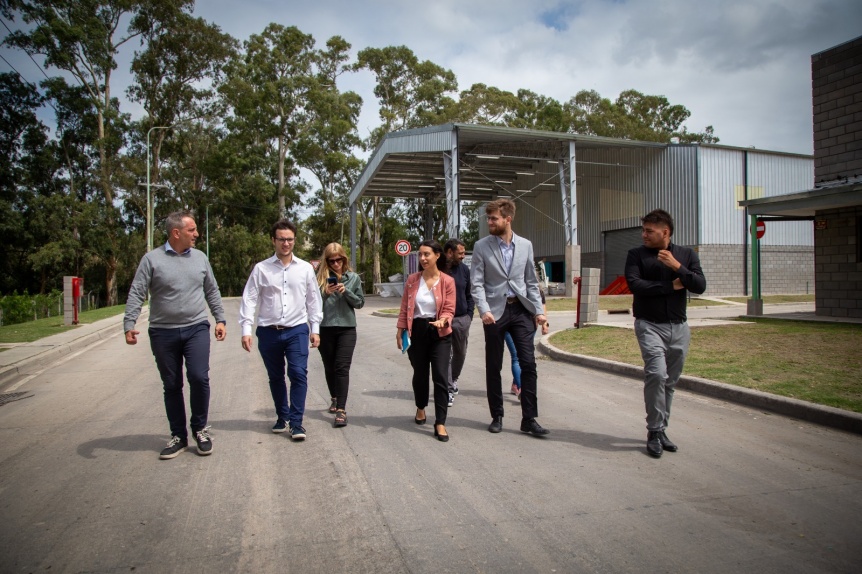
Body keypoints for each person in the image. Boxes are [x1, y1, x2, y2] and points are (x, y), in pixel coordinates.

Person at [123, 210, 226, 460]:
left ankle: (200, 430)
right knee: (172, 385)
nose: (197, 234)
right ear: (176, 232)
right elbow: (137, 292)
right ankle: (179, 436)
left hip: (196, 328)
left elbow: (211, 290)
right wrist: (129, 323)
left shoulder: (200, 258)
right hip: (162, 333)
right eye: (192, 230)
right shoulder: (152, 259)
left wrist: (220, 318)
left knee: (199, 378)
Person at [624, 208, 706, 458]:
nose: (644, 235)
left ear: (665, 232)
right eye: (644, 230)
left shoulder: (686, 255)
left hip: (679, 327)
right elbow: (635, 285)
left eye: (649, 231)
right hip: (649, 325)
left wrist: (677, 267)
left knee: (670, 381)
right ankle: (654, 430)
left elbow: (699, 286)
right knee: (657, 375)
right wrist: (670, 285)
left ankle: (661, 430)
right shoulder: (636, 255)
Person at [471, 198, 549, 436]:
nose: (489, 222)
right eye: (488, 218)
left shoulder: (525, 245)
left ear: (508, 219)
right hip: (494, 313)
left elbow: (530, 282)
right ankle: (497, 415)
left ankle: (529, 419)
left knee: (528, 363)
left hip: (521, 311)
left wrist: (539, 311)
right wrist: (483, 310)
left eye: (493, 218)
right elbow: (476, 283)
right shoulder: (481, 246)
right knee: (494, 365)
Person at [239, 219, 323, 441]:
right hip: (268, 331)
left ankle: (296, 423)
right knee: (275, 376)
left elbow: (314, 300)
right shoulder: (261, 269)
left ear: (294, 240)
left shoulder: (305, 269)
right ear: (273, 240)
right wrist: (246, 329)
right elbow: (249, 298)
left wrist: (315, 328)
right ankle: (282, 416)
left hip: (296, 330)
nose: (286, 243)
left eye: (290, 239)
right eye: (281, 239)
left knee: (297, 373)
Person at [396, 240, 456, 442]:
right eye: (420, 255)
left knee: (440, 376)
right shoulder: (413, 280)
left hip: (440, 333)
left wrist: (444, 320)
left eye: (426, 254)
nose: (422, 258)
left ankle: (440, 422)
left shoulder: (447, 281)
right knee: (420, 374)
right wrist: (400, 329)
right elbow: (405, 307)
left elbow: (449, 307)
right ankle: (420, 407)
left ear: (437, 256)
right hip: (417, 332)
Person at [316, 242, 365, 427]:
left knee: (342, 368)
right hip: (325, 328)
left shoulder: (353, 278)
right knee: (329, 367)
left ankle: (341, 410)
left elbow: (360, 303)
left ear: (344, 259)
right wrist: (325, 294)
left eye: (339, 260)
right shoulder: (319, 279)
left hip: (347, 328)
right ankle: (334, 398)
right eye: (331, 261)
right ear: (326, 261)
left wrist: (347, 292)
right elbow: (310, 305)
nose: (336, 264)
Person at [442, 238, 473, 407]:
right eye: (460, 253)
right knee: (446, 355)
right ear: (449, 252)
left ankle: (453, 379)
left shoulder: (465, 270)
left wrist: (469, 316)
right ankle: (447, 390)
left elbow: (469, 294)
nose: (463, 256)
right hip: (443, 320)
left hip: (461, 319)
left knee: (460, 354)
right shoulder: (439, 269)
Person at [507, 289, 549, 398]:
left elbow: (542, 304)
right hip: (528, 324)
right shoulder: (536, 288)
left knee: (518, 356)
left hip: (528, 324)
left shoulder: (533, 289)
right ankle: (521, 388)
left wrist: (544, 325)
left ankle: (517, 384)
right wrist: (545, 325)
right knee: (521, 355)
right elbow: (542, 305)